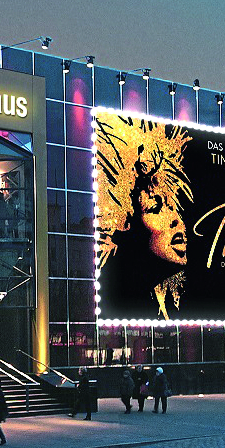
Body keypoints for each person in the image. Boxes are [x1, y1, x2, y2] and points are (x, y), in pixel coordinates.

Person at [94, 113, 193, 320]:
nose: (175, 219)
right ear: (127, 223)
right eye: (155, 208)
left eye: (173, 207)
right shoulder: (119, 300)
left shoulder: (170, 303)